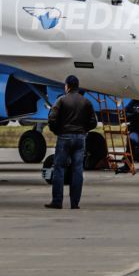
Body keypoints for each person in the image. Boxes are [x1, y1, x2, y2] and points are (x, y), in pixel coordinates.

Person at [46, 75, 96, 209]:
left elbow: (51, 119)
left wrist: (57, 131)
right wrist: (83, 130)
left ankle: (57, 201)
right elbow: (93, 122)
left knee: (59, 169)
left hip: (64, 137)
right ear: (78, 86)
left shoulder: (61, 100)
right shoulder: (86, 102)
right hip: (80, 138)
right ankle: (75, 203)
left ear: (67, 86)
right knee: (77, 170)